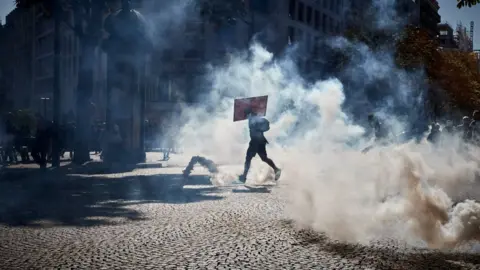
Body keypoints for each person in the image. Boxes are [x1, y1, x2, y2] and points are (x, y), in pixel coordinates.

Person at [239, 108, 281, 182]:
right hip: (259, 141)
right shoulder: (252, 119)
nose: (246, 116)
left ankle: (244, 177)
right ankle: (276, 169)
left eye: (246, 114)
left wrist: (260, 128)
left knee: (248, 158)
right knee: (264, 158)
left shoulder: (256, 119)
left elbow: (267, 125)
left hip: (256, 141)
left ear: (249, 113)